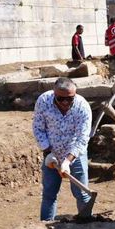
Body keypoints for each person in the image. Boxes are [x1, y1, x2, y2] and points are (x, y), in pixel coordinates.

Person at [32, 77, 92, 221]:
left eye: (70, 99)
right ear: (54, 94)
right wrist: (48, 153)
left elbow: (82, 138)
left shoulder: (82, 107)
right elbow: (38, 128)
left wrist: (67, 161)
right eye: (60, 98)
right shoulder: (44, 101)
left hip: (75, 154)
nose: (65, 102)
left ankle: (85, 226)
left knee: (82, 194)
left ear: (75, 95)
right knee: (49, 194)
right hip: (51, 154)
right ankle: (45, 227)